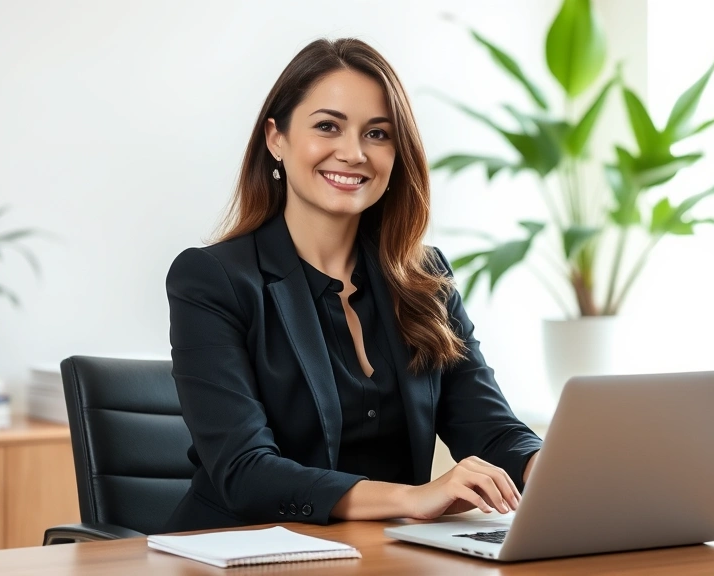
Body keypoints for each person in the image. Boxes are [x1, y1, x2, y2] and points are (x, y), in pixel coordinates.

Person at [164, 37, 542, 532]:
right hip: (239, 552)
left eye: (378, 134)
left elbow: (490, 430)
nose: (353, 153)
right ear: (276, 139)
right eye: (327, 126)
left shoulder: (425, 279)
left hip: (382, 554)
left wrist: (554, 471)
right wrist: (414, 497)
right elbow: (245, 471)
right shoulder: (212, 280)